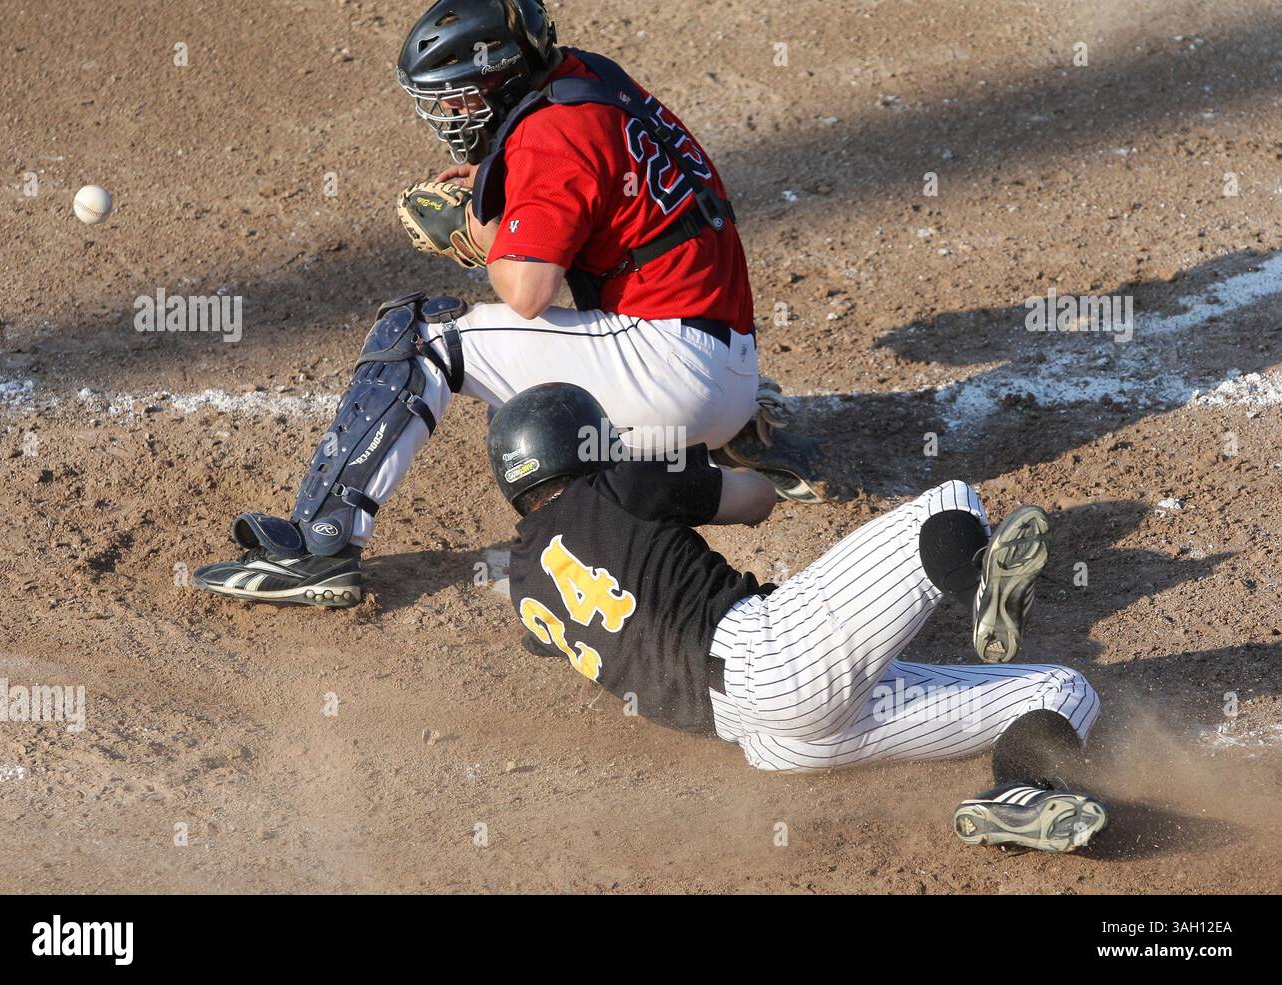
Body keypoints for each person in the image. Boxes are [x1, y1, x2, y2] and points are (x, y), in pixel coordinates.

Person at [192, 0, 819, 608]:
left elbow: (528, 292)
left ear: (500, 80)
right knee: (546, 385)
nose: (448, 114)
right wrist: (508, 192)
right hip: (724, 362)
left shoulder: (552, 135)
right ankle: (727, 450)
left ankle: (315, 548)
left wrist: (476, 230)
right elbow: (589, 185)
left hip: (668, 373)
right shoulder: (587, 76)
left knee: (420, 335)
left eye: (459, 97)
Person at [488, 383, 1109, 853]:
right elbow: (755, 500)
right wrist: (722, 456)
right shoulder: (617, 483)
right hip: (778, 657)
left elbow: (547, 632)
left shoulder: (523, 584)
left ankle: (1023, 795)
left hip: (771, 741)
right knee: (950, 505)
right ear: (585, 445)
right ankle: (978, 586)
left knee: (1058, 690)